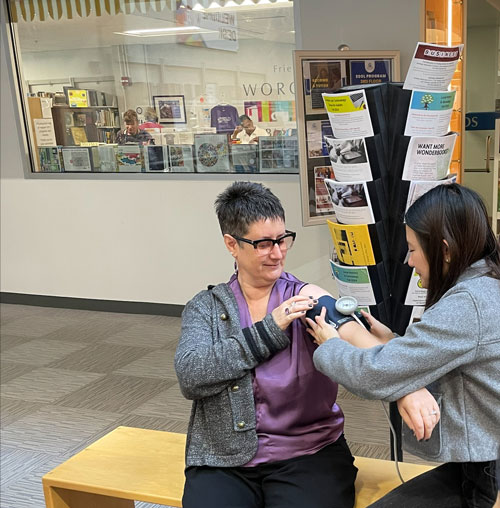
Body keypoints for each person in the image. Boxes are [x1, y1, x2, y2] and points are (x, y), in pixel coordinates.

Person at [307, 183, 500, 508]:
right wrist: (396, 349)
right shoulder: (487, 283)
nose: (409, 261)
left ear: (445, 249)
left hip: (481, 475)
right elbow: (436, 356)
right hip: (477, 464)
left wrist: (329, 344)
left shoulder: (468, 305)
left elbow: (374, 374)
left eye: (412, 249)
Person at [175, 181, 358, 508]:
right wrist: (269, 329)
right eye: (263, 244)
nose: (277, 253)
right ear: (232, 244)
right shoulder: (206, 307)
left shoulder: (304, 298)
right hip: (226, 457)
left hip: (308, 451)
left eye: (282, 239)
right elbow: (191, 376)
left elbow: (359, 342)